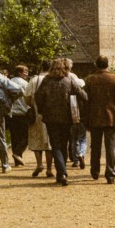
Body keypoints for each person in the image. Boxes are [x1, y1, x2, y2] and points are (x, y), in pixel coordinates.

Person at [35, 58, 87, 186]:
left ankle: (61, 173)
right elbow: (84, 96)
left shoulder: (46, 80)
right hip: (66, 117)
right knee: (64, 144)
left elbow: (38, 97)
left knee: (55, 145)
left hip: (50, 117)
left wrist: (42, 110)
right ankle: (61, 173)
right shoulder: (69, 81)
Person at [84, 55, 115, 184]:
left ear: (96, 65)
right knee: (110, 146)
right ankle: (110, 174)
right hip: (112, 117)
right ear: (107, 65)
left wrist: (85, 118)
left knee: (95, 146)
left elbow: (85, 101)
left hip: (95, 116)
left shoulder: (90, 79)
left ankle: (95, 171)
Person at [24, 59, 54, 178]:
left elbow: (27, 96)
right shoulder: (53, 79)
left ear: (41, 67)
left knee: (36, 138)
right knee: (49, 140)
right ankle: (49, 168)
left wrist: (31, 104)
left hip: (37, 113)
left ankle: (39, 164)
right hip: (50, 112)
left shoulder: (35, 80)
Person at [8, 65, 30, 167]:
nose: (27, 74)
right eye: (25, 72)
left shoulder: (9, 82)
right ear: (19, 73)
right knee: (25, 136)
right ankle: (18, 153)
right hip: (22, 112)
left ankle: (17, 159)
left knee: (14, 137)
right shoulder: (25, 83)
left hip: (11, 113)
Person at [67, 59, 87, 170]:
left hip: (71, 118)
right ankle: (81, 154)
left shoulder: (70, 96)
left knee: (73, 139)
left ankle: (75, 160)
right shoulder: (83, 96)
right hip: (82, 119)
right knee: (82, 139)